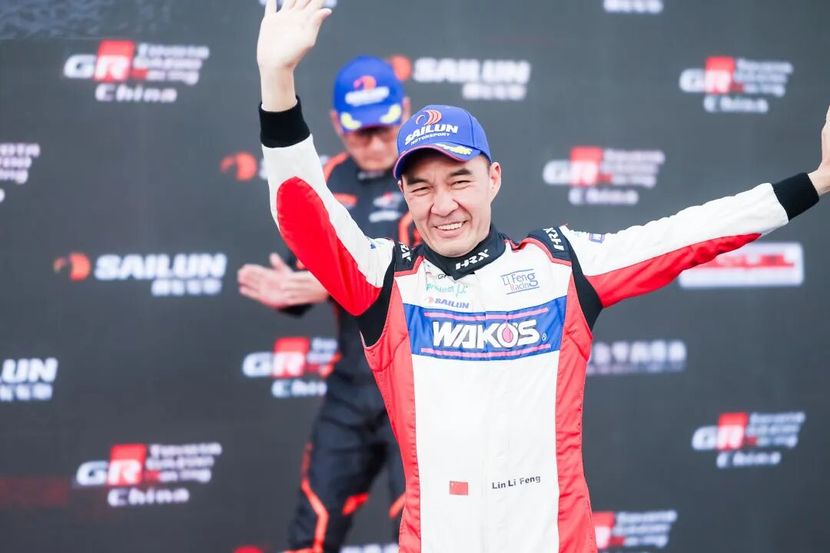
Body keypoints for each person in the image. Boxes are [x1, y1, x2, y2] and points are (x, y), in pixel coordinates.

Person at [254, 1, 829, 551]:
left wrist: (817, 181)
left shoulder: (560, 268)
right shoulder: (387, 282)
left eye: (459, 180)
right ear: (404, 193)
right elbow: (302, 210)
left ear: (494, 179)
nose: (443, 205)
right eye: (422, 187)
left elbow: (688, 234)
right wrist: (277, 82)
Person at [239, 52, 416, 552]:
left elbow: (449, 271)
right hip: (352, 387)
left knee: (424, 534)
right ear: (338, 124)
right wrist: (285, 291)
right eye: (362, 133)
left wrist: (340, 281)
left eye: (386, 129)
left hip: (420, 385)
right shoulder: (325, 183)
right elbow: (299, 280)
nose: (376, 144)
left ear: (405, 111)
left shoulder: (430, 174)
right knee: (311, 531)